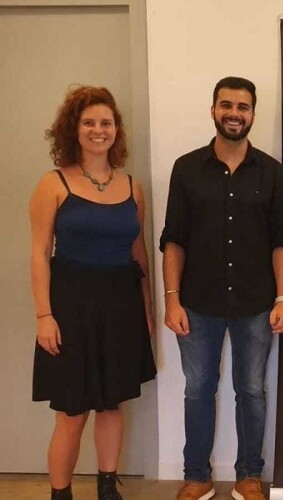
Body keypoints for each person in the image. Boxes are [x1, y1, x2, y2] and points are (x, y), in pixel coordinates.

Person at [161, 76, 283, 500]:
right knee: (198, 390)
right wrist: (171, 299)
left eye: (242, 107)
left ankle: (248, 476)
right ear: (213, 110)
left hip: (256, 304)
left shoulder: (272, 173)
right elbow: (174, 240)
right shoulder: (186, 169)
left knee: (251, 391)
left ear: (252, 114)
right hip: (197, 304)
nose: (234, 113)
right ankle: (197, 477)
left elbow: (282, 242)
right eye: (227, 105)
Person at [30, 85, 157, 500]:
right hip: (70, 308)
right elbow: (38, 255)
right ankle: (60, 494)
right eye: (89, 122)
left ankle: (107, 488)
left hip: (121, 305)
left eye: (106, 122)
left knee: (112, 404)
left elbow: (139, 256)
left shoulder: (132, 187)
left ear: (116, 130)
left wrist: (147, 314)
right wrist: (44, 315)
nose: (98, 130)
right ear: (74, 128)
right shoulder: (52, 184)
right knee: (71, 412)